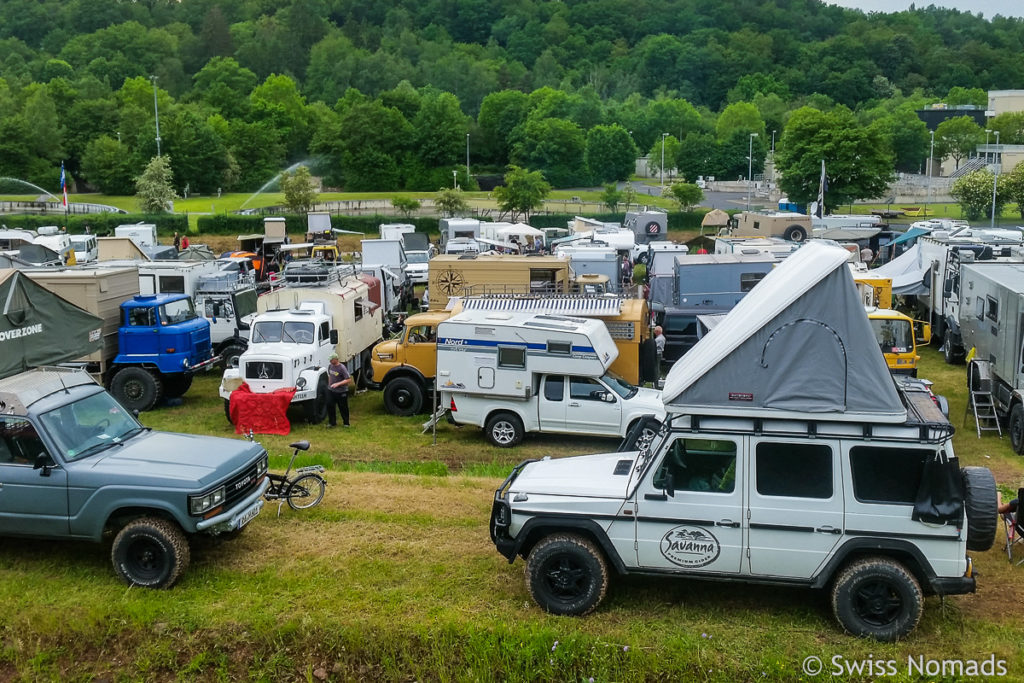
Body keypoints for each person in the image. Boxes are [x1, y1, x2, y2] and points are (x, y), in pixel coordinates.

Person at [326, 353, 352, 427]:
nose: (330, 361)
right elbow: (330, 375)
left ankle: (346, 423)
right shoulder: (330, 366)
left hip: (341, 391)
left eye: (331, 360)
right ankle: (332, 422)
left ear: (336, 359)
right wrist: (329, 384)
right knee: (330, 405)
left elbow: (348, 379)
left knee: (343, 407)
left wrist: (338, 384)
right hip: (331, 390)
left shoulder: (342, 368)